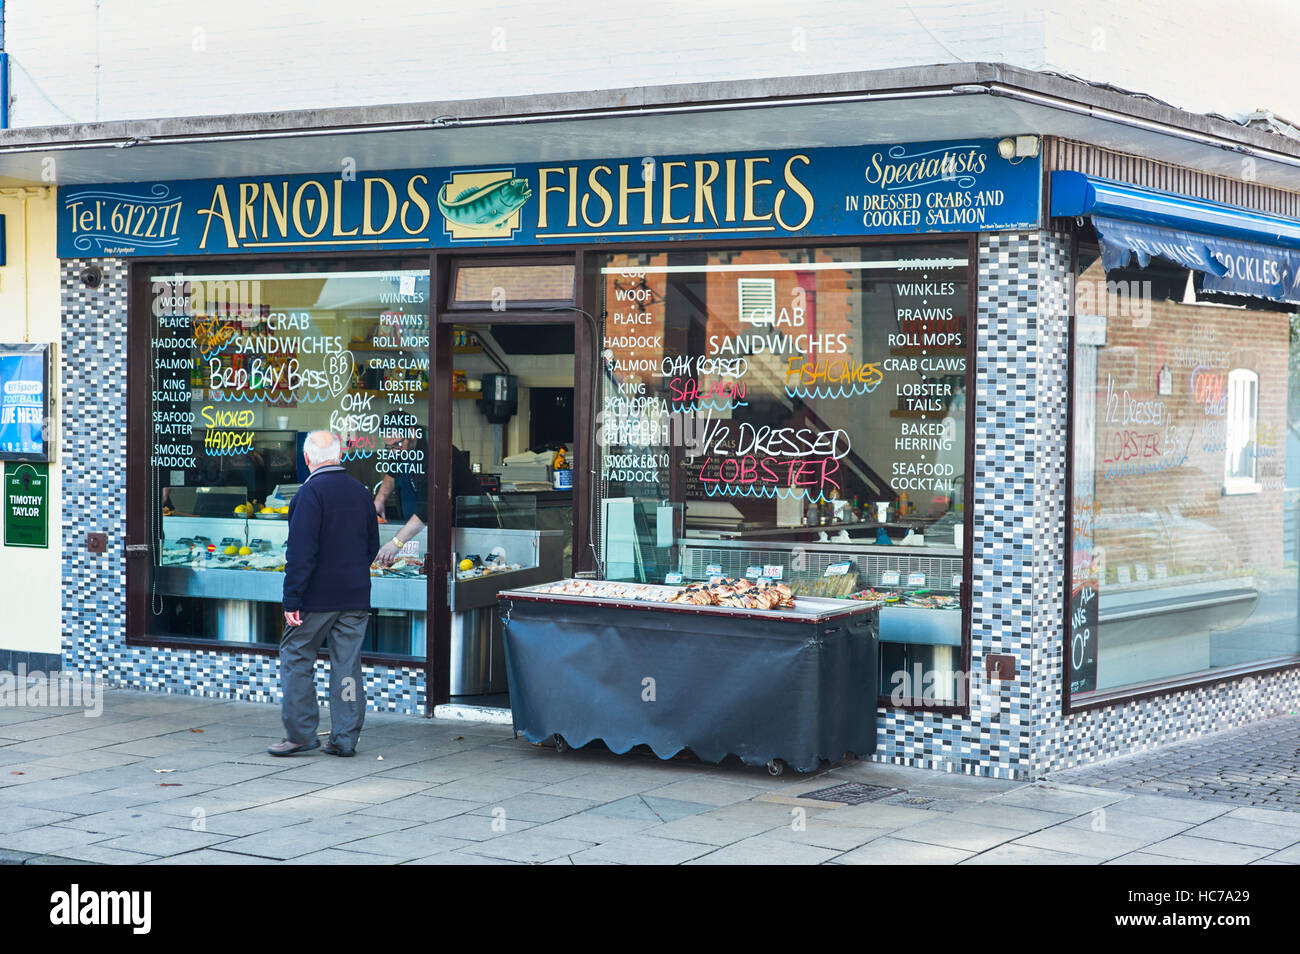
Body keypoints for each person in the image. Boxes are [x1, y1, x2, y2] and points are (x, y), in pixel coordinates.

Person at [270, 430, 380, 757]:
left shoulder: (309, 493)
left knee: (296, 656)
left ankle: (302, 733)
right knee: (347, 665)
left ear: (307, 459)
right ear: (340, 455)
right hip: (356, 595)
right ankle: (345, 738)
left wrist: (292, 599)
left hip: (316, 599)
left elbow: (301, 554)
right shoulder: (360, 492)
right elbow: (372, 546)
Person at [374, 436, 481, 566]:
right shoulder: (402, 450)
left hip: (466, 527)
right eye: (390, 447)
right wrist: (380, 499)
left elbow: (429, 506)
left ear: (412, 432)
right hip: (422, 529)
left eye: (398, 444)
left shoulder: (437, 452)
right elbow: (392, 473)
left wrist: (396, 543)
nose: (395, 451)